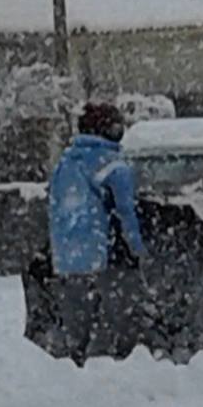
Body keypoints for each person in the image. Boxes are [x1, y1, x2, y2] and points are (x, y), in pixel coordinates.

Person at [47, 101, 146, 276]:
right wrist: (138, 251)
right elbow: (125, 211)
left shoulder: (65, 162)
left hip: (65, 258)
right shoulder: (113, 164)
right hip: (101, 258)